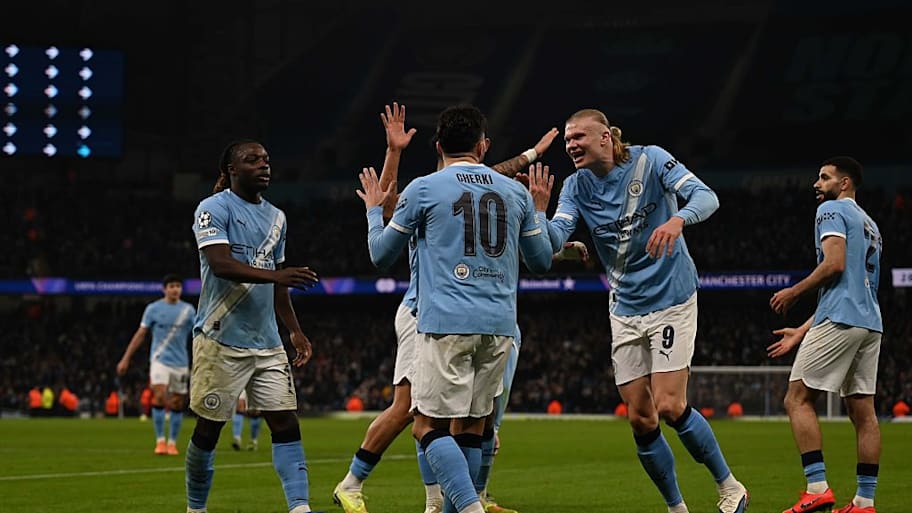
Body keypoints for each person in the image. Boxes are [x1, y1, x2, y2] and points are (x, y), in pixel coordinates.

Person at [334, 103, 565, 513]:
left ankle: (468, 509)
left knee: (426, 426)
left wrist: (373, 211)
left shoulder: (424, 189)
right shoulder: (514, 191)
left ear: (438, 144)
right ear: (483, 145)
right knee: (474, 428)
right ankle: (466, 502)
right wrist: (542, 210)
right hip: (499, 325)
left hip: (445, 322)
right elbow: (542, 260)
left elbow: (380, 256)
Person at [539, 109, 748, 513]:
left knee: (669, 405)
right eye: (567, 139)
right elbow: (553, 236)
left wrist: (678, 221)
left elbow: (707, 196)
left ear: (605, 137)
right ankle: (676, 508)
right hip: (624, 306)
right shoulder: (575, 186)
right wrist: (536, 215)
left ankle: (731, 487)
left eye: (579, 136)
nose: (571, 145)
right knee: (641, 418)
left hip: (671, 297)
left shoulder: (650, 159)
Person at [186, 139, 320, 513]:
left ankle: (299, 507)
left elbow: (278, 285)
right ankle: (195, 508)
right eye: (252, 160)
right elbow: (220, 264)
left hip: (267, 342)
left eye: (266, 159)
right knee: (209, 430)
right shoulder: (212, 208)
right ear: (231, 170)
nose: (264, 165)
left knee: (286, 423)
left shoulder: (278, 217)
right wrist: (278, 274)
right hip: (220, 338)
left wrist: (293, 329)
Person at [768, 156, 883, 513]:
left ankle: (817, 488)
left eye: (824, 177)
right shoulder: (871, 225)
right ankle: (864, 502)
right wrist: (802, 331)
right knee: (863, 412)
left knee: (797, 399)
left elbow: (833, 265)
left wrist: (794, 291)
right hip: (870, 323)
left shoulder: (831, 211)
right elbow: (851, 284)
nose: (816, 184)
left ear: (844, 183)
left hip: (841, 319)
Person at [116, 274, 195, 455]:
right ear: (164, 289)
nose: (175, 289)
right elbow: (140, 334)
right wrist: (125, 358)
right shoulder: (153, 309)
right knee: (159, 396)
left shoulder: (188, 311)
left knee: (176, 402)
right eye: (171, 286)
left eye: (178, 286)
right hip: (159, 360)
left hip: (181, 362)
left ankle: (172, 442)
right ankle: (160, 441)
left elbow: (198, 334)